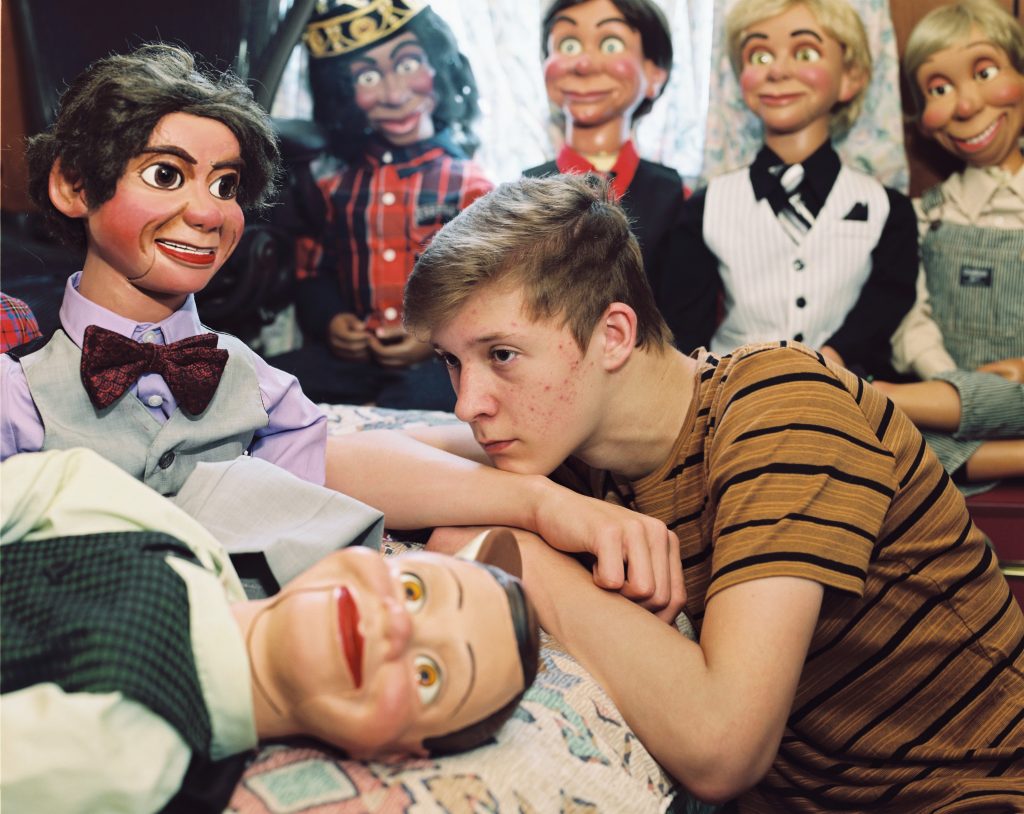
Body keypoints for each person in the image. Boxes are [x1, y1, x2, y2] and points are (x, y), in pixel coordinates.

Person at [324, 173, 1024, 810]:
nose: (467, 402)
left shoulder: (782, 403)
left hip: (972, 793)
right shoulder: (564, 445)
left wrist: (523, 556)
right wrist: (539, 505)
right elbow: (327, 462)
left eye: (501, 355)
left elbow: (723, 750)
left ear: (613, 335)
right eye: (452, 361)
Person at [1, 447, 539, 814]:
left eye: (427, 675)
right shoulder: (185, 543)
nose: (396, 625)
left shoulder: (136, 761)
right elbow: (53, 480)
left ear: (398, 752)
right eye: (414, 590)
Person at [0, 44, 327, 494]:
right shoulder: (17, 392)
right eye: (165, 175)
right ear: (75, 186)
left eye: (225, 186)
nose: (209, 214)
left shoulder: (260, 385)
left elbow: (297, 499)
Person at [268, 0, 492, 410]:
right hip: (352, 366)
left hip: (441, 361)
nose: (393, 94)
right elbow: (314, 273)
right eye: (368, 77)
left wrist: (434, 337)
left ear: (438, 67)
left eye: (408, 65)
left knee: (424, 399)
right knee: (267, 384)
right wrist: (332, 320)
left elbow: (488, 291)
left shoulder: (471, 188)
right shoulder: (333, 186)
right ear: (342, 92)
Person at [679, 0, 918, 377]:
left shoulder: (888, 209)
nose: (777, 70)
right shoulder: (705, 207)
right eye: (759, 56)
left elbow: (888, 299)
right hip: (732, 393)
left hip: (847, 393)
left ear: (850, 77)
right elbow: (683, 323)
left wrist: (834, 358)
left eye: (805, 52)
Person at [876, 0, 1024, 492]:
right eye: (939, 89)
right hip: (942, 405)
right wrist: (947, 384)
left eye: (984, 72)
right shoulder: (925, 216)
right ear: (921, 119)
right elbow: (911, 319)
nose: (966, 106)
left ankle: (878, 397)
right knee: (882, 442)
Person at [523, 0, 704, 352]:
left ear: (654, 74)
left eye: (610, 44)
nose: (584, 63)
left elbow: (685, 325)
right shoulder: (522, 195)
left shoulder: (674, 197)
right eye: (568, 45)